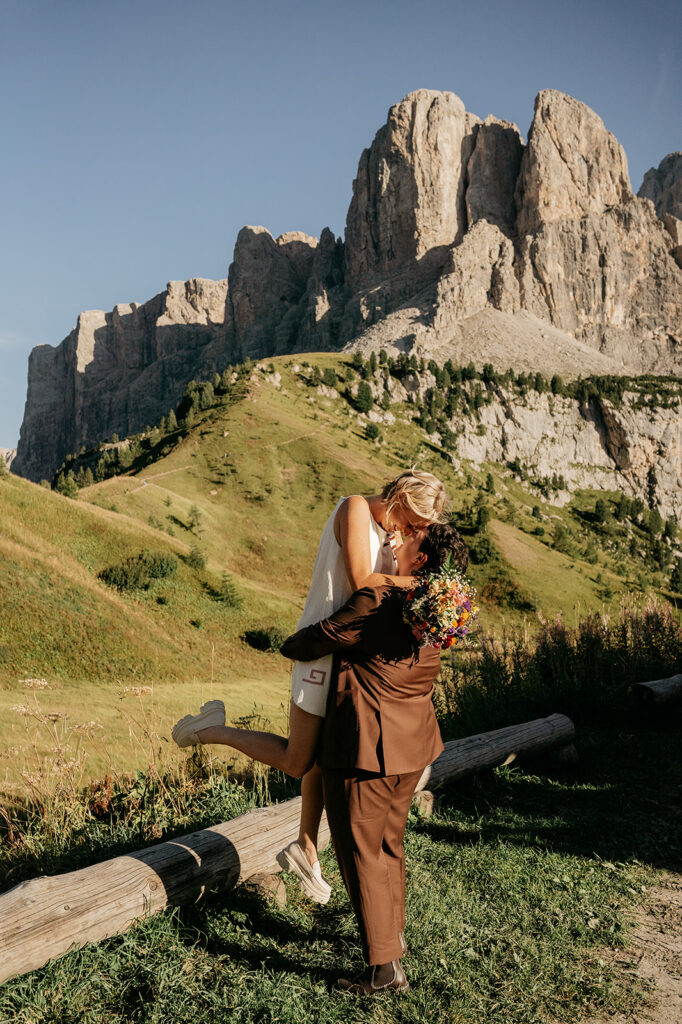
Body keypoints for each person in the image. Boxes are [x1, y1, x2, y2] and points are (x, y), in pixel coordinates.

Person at [171, 470, 449, 902]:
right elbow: (361, 584)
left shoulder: (387, 533)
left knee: (326, 755)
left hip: (349, 661)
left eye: (419, 528)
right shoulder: (356, 508)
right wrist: (415, 582)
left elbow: (376, 599)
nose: (411, 531)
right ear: (397, 497)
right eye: (412, 521)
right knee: (298, 761)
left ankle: (305, 848)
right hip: (319, 651)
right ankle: (210, 729)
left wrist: (397, 562)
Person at [279, 521, 469, 993]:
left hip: (364, 751)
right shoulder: (436, 611)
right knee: (389, 848)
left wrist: (295, 642)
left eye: (408, 540)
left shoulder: (377, 603)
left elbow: (308, 641)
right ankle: (392, 941)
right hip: (414, 748)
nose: (396, 541)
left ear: (421, 559)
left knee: (360, 855)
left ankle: (383, 971)